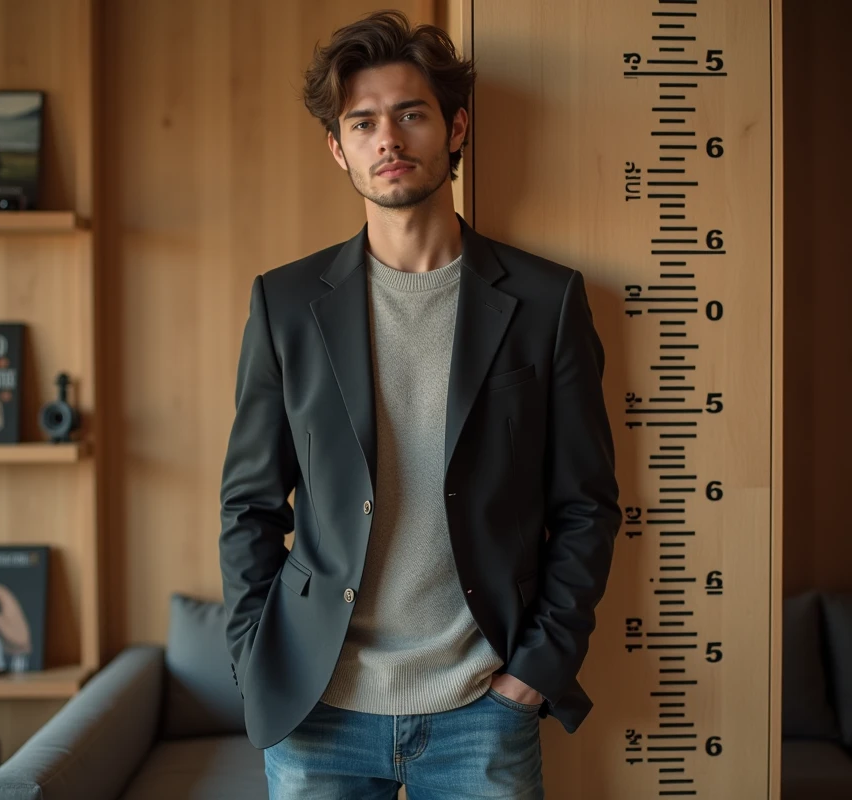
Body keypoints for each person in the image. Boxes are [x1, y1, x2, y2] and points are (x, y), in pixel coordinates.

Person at [217, 10, 620, 799]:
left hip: (483, 708)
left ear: (454, 126)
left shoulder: (548, 301)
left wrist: (532, 677)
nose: (388, 139)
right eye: (362, 123)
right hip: (317, 708)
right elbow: (249, 506)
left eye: (411, 113)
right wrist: (254, 660)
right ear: (339, 148)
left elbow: (587, 507)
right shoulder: (285, 304)